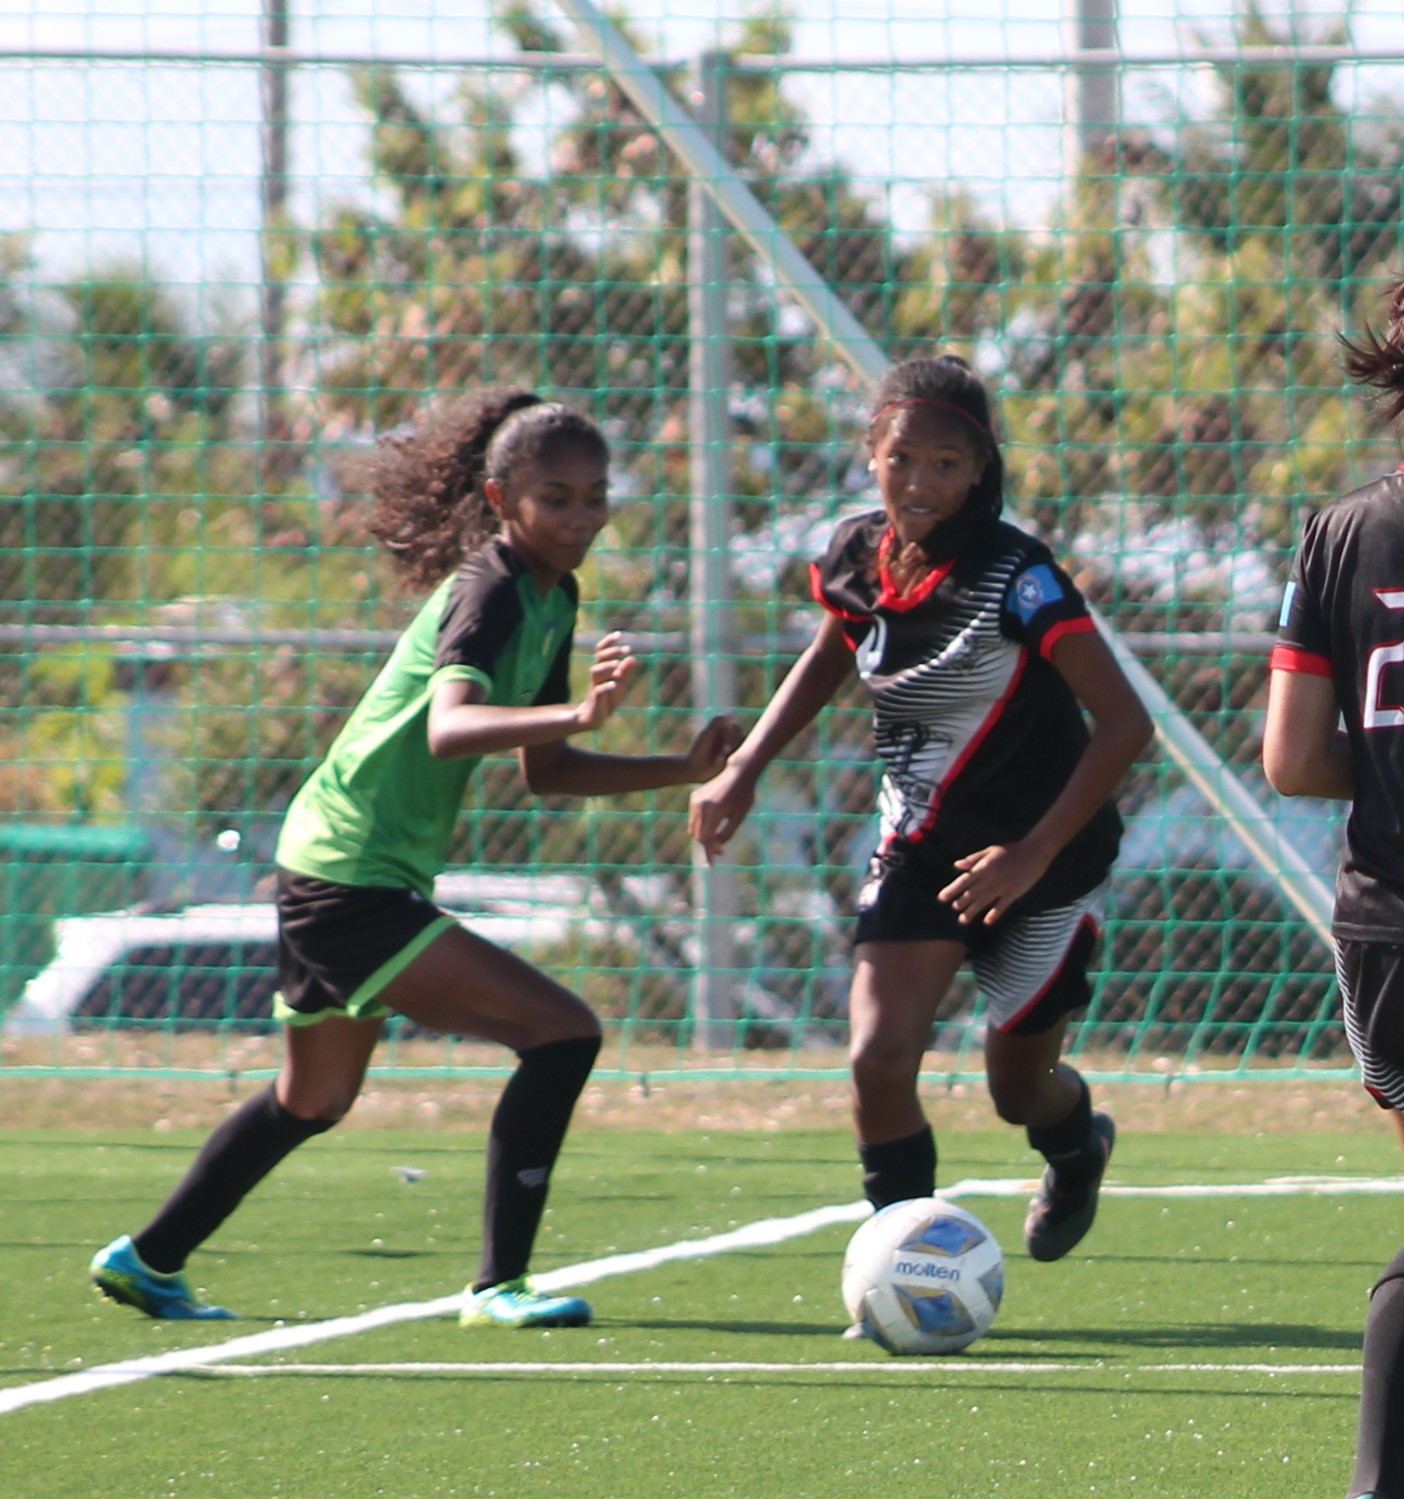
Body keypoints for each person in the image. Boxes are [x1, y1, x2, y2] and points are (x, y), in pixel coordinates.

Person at [90, 388, 738, 1328]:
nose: (581, 517)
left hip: (338, 864)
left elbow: (545, 771)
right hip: (350, 874)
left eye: (596, 496)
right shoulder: (489, 588)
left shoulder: (554, 598)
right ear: (502, 496)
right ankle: (498, 1287)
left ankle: (146, 1259)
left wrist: (677, 767)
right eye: (556, 496)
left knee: (312, 1098)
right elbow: (450, 728)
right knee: (563, 1033)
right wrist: (582, 711)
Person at [689, 354, 1151, 1289]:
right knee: (876, 1056)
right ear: (871, 457)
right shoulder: (855, 555)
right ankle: (908, 1271)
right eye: (905, 458)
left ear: (980, 470)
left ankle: (1075, 1149)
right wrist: (744, 767)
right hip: (920, 846)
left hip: (1045, 855)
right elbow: (832, 651)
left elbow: (1127, 725)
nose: (923, 481)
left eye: (948, 463)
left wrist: (1031, 854)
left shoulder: (1018, 577)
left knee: (1018, 1090)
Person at [1267, 276, 1404, 1499]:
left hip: (1386, 938)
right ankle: (1372, 1487)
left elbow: (1295, 757)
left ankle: (1374, 1493)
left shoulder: (1345, 531)